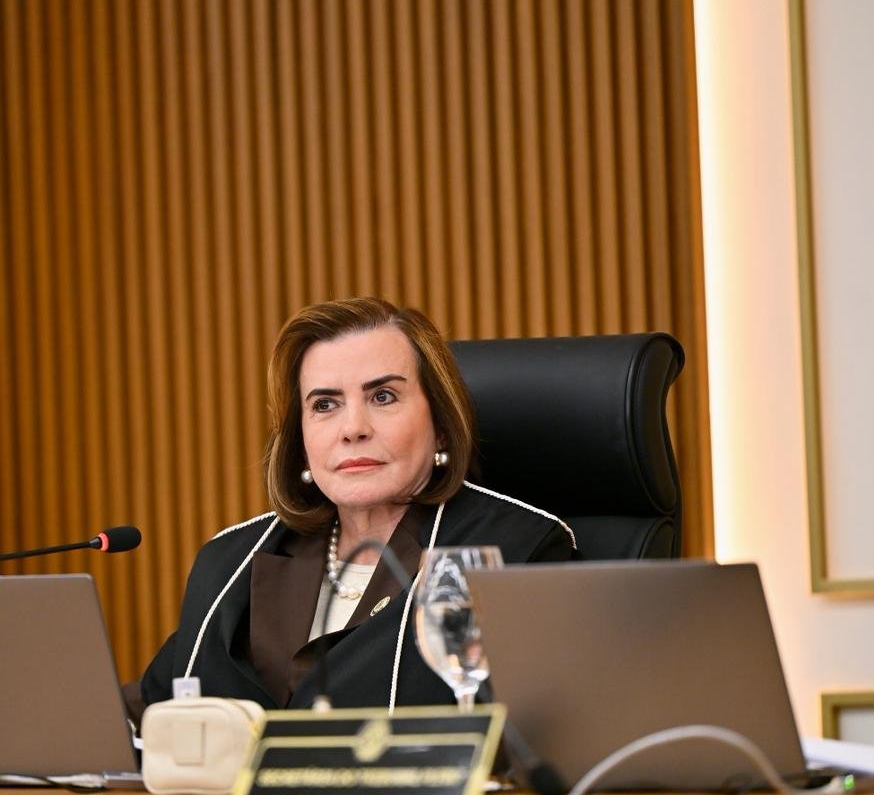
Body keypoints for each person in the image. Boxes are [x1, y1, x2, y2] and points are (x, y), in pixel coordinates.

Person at [123, 298, 575, 723]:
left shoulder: (514, 552)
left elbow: (548, 737)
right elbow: (150, 710)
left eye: (383, 397)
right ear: (301, 439)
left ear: (440, 425)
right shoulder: (230, 560)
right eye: (325, 405)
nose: (353, 428)